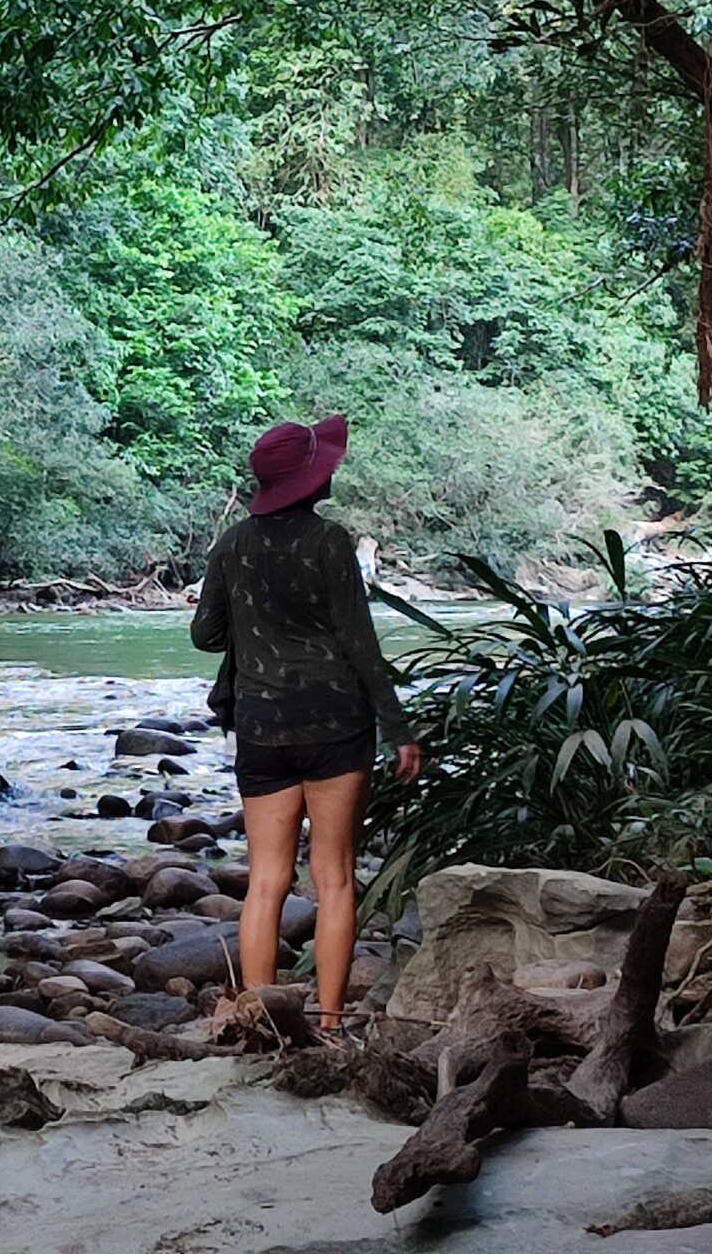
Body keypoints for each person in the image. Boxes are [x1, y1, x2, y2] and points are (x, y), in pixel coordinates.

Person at [191, 414, 423, 1032]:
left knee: (265, 879)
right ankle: (326, 1021)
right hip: (334, 726)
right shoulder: (329, 542)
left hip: (261, 727)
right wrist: (398, 730)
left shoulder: (233, 545)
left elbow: (203, 633)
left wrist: (252, 621)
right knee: (335, 877)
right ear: (310, 481)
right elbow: (359, 641)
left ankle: (257, 1015)